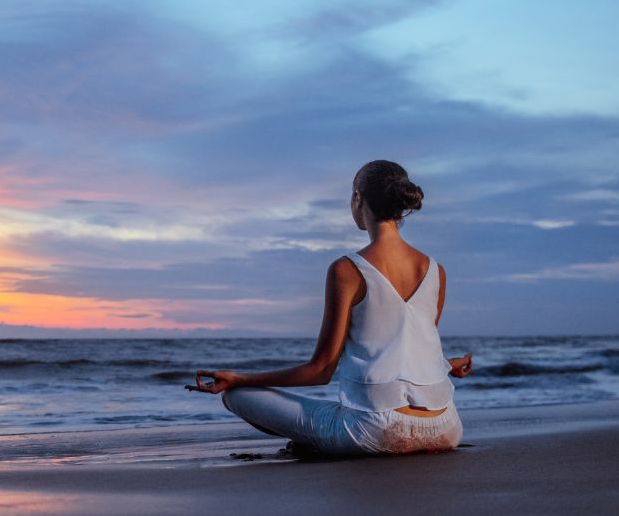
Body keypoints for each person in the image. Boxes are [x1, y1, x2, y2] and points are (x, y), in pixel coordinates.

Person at [194, 160, 474, 456]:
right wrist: (445, 365)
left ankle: (316, 441)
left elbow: (320, 371)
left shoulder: (347, 270)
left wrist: (240, 378)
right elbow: (405, 351)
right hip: (446, 427)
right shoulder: (435, 270)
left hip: (377, 432)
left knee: (237, 396)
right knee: (343, 411)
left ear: (357, 198)